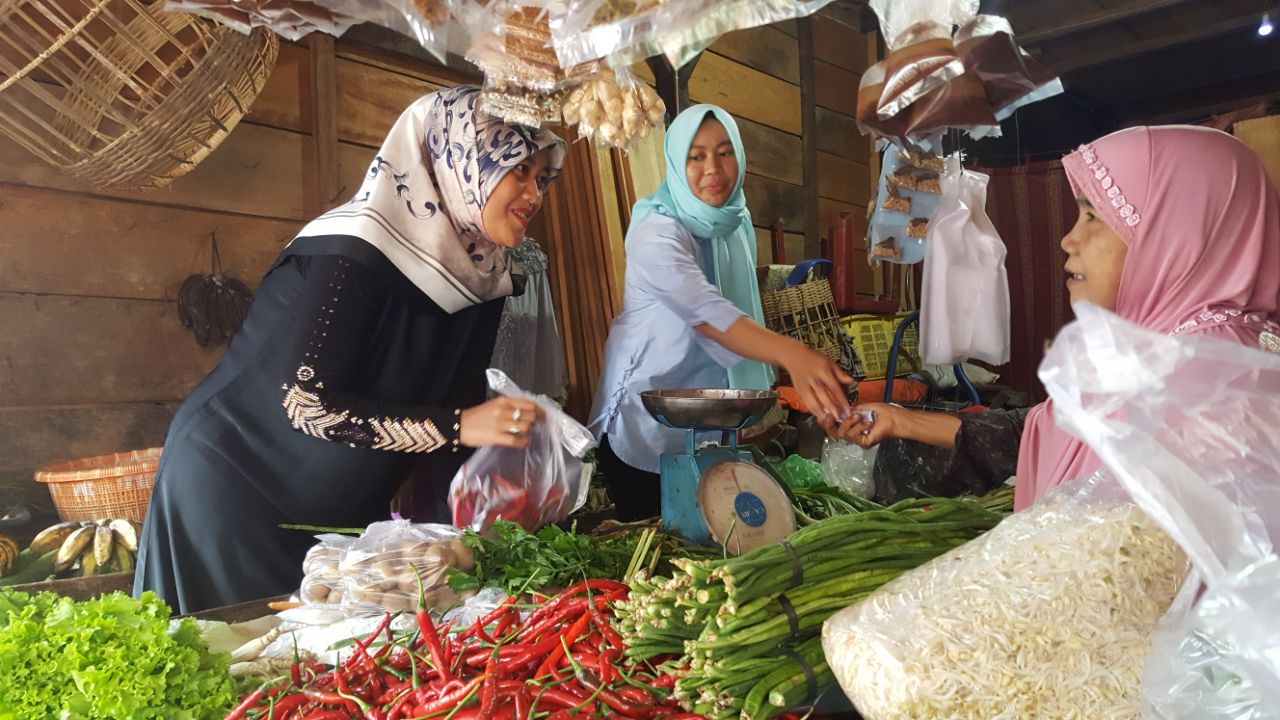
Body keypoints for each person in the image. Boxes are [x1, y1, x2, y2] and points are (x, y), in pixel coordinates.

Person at [134, 86, 566, 613]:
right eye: (518, 170)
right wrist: (461, 426)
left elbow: (447, 414)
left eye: (542, 178)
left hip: (340, 520)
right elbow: (308, 404)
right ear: (459, 158)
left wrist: (469, 515)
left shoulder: (485, 277)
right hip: (235, 492)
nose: (534, 194)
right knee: (240, 659)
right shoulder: (354, 250)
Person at [828, 125, 1280, 511]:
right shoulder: (1166, 354)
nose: (1068, 239)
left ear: (1177, 234)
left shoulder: (1208, 384)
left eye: (1092, 217)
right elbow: (1046, 429)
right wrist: (899, 420)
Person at [590, 104, 852, 521]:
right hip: (645, 427)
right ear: (677, 161)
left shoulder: (734, 220)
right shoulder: (656, 233)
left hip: (710, 424)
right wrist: (792, 354)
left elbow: (738, 303)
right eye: (696, 156)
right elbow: (709, 312)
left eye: (725, 152)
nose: (713, 168)